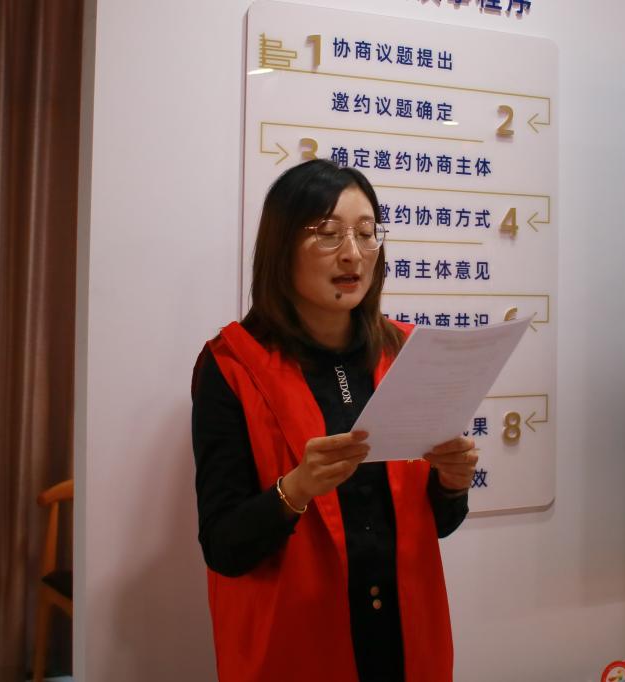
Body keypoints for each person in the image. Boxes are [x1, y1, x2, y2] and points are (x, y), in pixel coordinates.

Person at [191, 159, 478, 682]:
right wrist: (296, 489)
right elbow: (224, 547)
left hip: (405, 641)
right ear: (282, 246)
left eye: (366, 234)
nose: (352, 253)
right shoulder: (232, 365)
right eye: (328, 234)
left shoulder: (405, 351)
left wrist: (452, 485)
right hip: (296, 648)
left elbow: (435, 524)